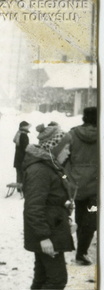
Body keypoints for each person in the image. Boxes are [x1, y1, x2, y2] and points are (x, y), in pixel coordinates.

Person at [22, 121, 75, 290]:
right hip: (47, 234)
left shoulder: (48, 166)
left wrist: (65, 214)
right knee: (57, 280)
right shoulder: (40, 170)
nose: (68, 152)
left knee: (42, 278)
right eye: (66, 148)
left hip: (51, 230)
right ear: (56, 147)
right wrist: (44, 237)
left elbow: (50, 201)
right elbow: (33, 207)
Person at [52, 107, 98, 266]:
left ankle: (79, 248)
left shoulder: (71, 135)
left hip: (76, 188)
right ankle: (81, 252)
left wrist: (66, 176)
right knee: (92, 218)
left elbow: (58, 157)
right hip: (96, 191)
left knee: (80, 215)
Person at [13, 121, 30, 188]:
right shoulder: (24, 136)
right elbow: (25, 148)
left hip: (17, 157)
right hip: (23, 157)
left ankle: (18, 187)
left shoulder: (18, 134)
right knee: (23, 172)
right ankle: (22, 187)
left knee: (18, 172)